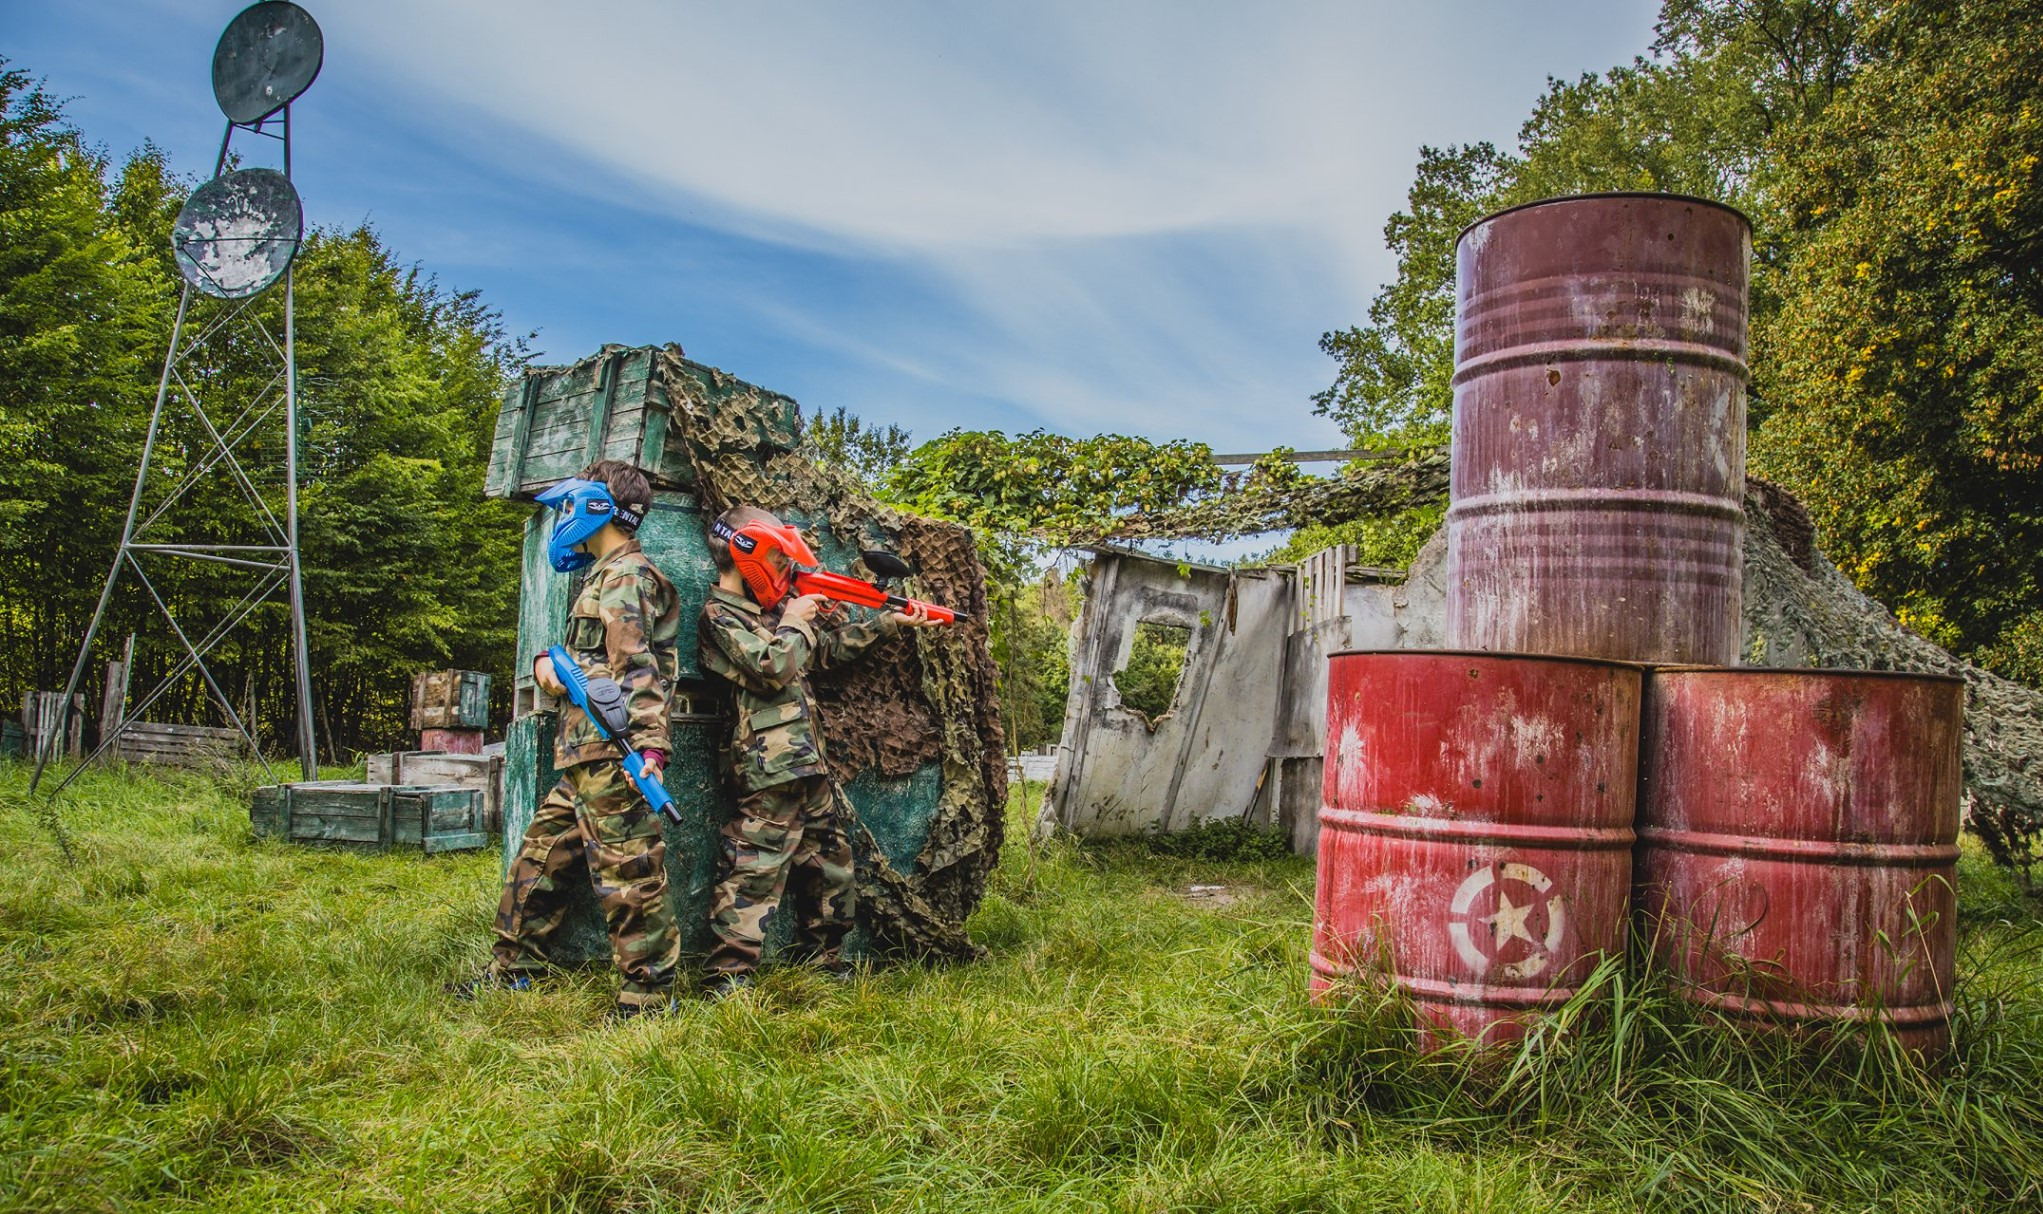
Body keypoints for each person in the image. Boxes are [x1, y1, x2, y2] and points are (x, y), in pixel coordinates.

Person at [452, 459, 683, 1020]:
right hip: (584, 755)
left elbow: (639, 671)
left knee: (630, 875)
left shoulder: (627, 575)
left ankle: (648, 999)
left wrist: (649, 750)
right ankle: (513, 971)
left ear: (596, 505)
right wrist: (549, 668)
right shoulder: (603, 574)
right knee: (537, 862)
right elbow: (591, 662)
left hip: (614, 754)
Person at [698, 505, 939, 996]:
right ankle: (728, 978)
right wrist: (793, 620)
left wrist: (887, 623)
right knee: (754, 867)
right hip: (765, 765)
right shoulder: (719, 617)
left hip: (807, 759)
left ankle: (824, 961)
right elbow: (772, 667)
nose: (786, 571)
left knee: (830, 864)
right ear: (750, 554)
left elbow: (821, 655)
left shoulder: (769, 614)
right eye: (779, 560)